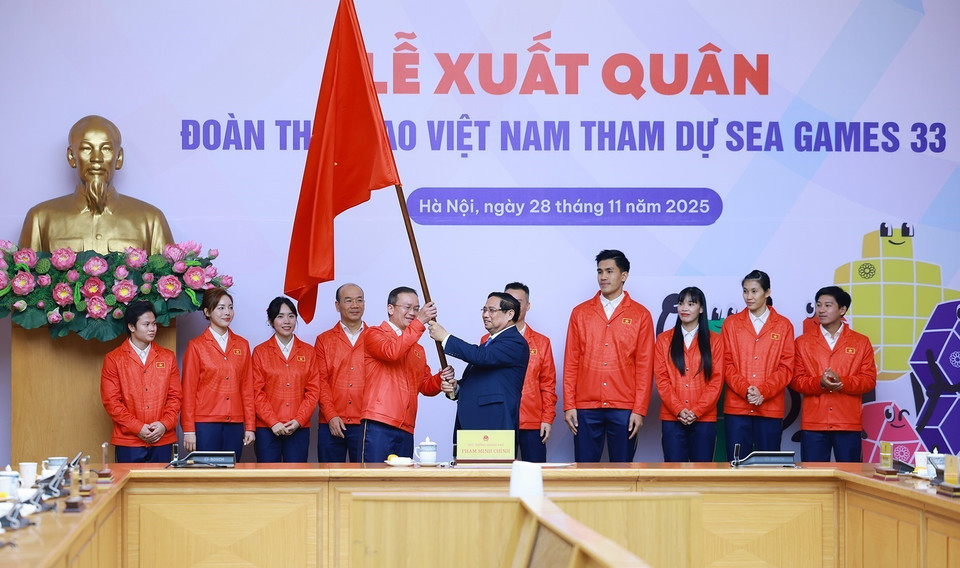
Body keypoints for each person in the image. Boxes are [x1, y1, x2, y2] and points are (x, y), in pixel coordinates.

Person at [19, 115, 174, 255]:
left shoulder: (151, 220)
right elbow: (24, 278)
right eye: (86, 148)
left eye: (106, 149)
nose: (97, 158)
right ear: (71, 156)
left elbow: (169, 282)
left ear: (119, 158)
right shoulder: (40, 219)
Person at [563, 250, 655, 462]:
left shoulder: (640, 315)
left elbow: (644, 367)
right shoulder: (581, 312)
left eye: (609, 271)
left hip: (624, 407)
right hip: (586, 407)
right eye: (599, 271)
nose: (603, 277)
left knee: (623, 471)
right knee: (584, 473)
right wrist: (569, 405)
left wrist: (639, 410)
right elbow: (571, 363)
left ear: (624, 275)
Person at [360, 287, 454, 462]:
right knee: (372, 484)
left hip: (407, 426)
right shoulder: (374, 333)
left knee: (402, 485)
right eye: (407, 307)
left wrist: (440, 380)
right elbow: (392, 352)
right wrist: (420, 321)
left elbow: (424, 385)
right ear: (390, 308)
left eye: (417, 309)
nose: (413, 313)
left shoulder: (417, 348)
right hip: (379, 422)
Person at [791, 286, 877, 462]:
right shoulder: (802, 342)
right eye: (818, 305)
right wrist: (819, 383)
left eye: (828, 305)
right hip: (814, 423)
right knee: (814, 481)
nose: (821, 310)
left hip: (847, 423)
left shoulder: (861, 342)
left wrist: (842, 381)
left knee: (850, 479)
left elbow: (869, 380)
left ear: (842, 309)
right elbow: (795, 380)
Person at [428, 292, 529, 435]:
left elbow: (480, 357)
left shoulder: (515, 342)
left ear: (510, 314)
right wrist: (456, 387)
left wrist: (445, 337)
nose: (485, 315)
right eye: (484, 310)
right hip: (472, 426)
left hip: (493, 426)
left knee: (491, 459)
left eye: (492, 310)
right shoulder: (490, 344)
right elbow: (479, 380)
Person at [721, 270, 795, 460]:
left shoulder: (784, 325)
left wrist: (763, 391)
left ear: (767, 292)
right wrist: (746, 390)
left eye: (754, 291)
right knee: (736, 466)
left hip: (769, 408)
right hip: (737, 407)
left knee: (769, 467)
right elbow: (725, 363)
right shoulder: (731, 324)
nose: (748, 297)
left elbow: (786, 368)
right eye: (745, 291)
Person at [100, 301, 182, 463]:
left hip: (162, 439)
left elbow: (175, 397)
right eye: (146, 324)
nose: (152, 329)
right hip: (128, 441)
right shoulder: (114, 359)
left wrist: (164, 425)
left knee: (160, 487)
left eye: (154, 324)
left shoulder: (167, 357)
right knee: (130, 487)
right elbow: (112, 402)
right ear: (131, 327)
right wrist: (137, 428)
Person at [181, 288, 255, 459]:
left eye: (230, 307)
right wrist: (189, 429)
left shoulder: (242, 345)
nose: (227, 312)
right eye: (221, 308)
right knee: (206, 477)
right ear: (207, 311)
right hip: (205, 424)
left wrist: (250, 426)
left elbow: (247, 388)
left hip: (235, 424)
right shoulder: (196, 346)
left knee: (231, 477)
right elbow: (188, 392)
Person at [654, 287, 724, 462]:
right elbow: (661, 380)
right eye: (681, 303)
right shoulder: (664, 340)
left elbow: (716, 381)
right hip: (672, 418)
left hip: (704, 419)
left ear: (701, 308)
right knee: (673, 476)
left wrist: (696, 411)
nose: (684, 308)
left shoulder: (714, 341)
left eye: (691, 304)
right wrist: (678, 409)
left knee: (702, 476)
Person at [251, 297, 321, 462]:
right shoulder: (260, 352)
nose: (287, 321)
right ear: (271, 320)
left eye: (291, 316)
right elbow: (256, 392)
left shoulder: (308, 352)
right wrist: (273, 422)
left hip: (299, 428)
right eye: (280, 316)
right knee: (268, 480)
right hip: (267, 429)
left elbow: (313, 391)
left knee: (295, 481)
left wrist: (299, 420)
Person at [499, 283, 556, 462]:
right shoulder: (488, 340)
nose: (513, 306)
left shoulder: (542, 342)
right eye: (507, 301)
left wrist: (547, 418)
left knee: (534, 476)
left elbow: (548, 385)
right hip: (500, 421)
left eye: (518, 301)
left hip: (532, 421)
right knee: (498, 477)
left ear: (528, 306)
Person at [314, 283, 367, 462]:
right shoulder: (324, 340)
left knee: (364, 481)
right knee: (330, 480)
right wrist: (331, 415)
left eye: (359, 300)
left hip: (365, 423)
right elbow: (320, 381)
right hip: (330, 423)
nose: (355, 305)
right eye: (348, 300)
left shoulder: (376, 337)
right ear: (338, 306)